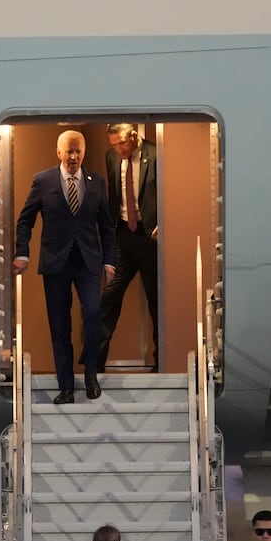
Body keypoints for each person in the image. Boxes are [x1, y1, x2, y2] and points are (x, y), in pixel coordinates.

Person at [14, 128, 117, 404]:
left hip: (88, 261)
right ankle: (67, 387)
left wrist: (109, 261)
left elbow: (107, 225)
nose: (73, 156)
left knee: (94, 314)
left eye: (78, 151)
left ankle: (91, 373)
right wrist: (22, 253)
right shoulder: (43, 180)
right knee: (60, 326)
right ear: (58, 152)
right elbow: (25, 220)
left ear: (83, 153)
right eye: (68, 151)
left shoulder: (96, 182)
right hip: (56, 263)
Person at [98, 122, 158, 371]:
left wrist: (164, 223)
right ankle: (95, 360)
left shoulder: (156, 154)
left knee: (157, 299)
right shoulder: (111, 156)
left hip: (150, 236)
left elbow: (166, 190)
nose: (119, 149)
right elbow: (114, 195)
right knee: (109, 296)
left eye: (122, 143)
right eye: (114, 144)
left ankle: (160, 361)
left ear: (134, 135)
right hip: (122, 234)